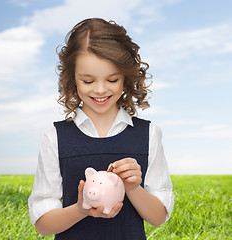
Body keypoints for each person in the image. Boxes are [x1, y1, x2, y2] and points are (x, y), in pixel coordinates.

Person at [28, 18, 174, 240]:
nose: (100, 89)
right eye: (87, 81)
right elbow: (43, 225)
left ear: (125, 77)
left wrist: (133, 188)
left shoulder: (148, 135)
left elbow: (158, 217)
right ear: (72, 80)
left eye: (112, 79)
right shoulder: (55, 139)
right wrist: (81, 209)